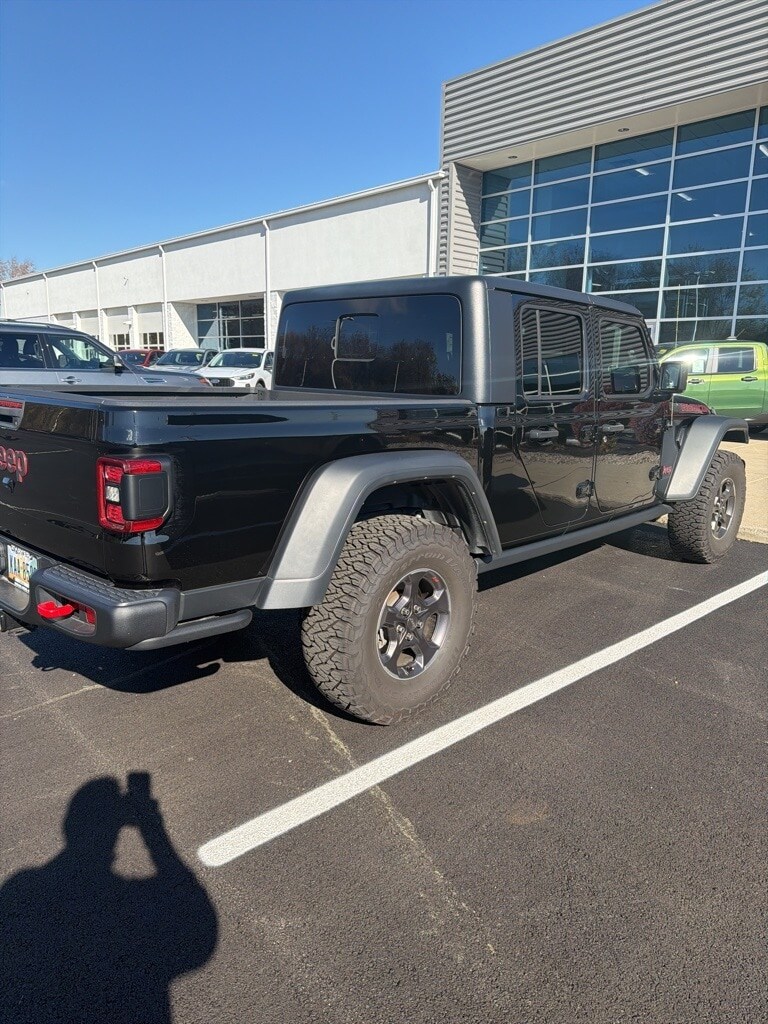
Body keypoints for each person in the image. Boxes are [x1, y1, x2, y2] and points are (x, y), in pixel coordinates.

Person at [0, 774, 218, 1024]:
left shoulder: (23, 889)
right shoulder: (133, 906)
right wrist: (152, 827)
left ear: (70, 826)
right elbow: (198, 925)